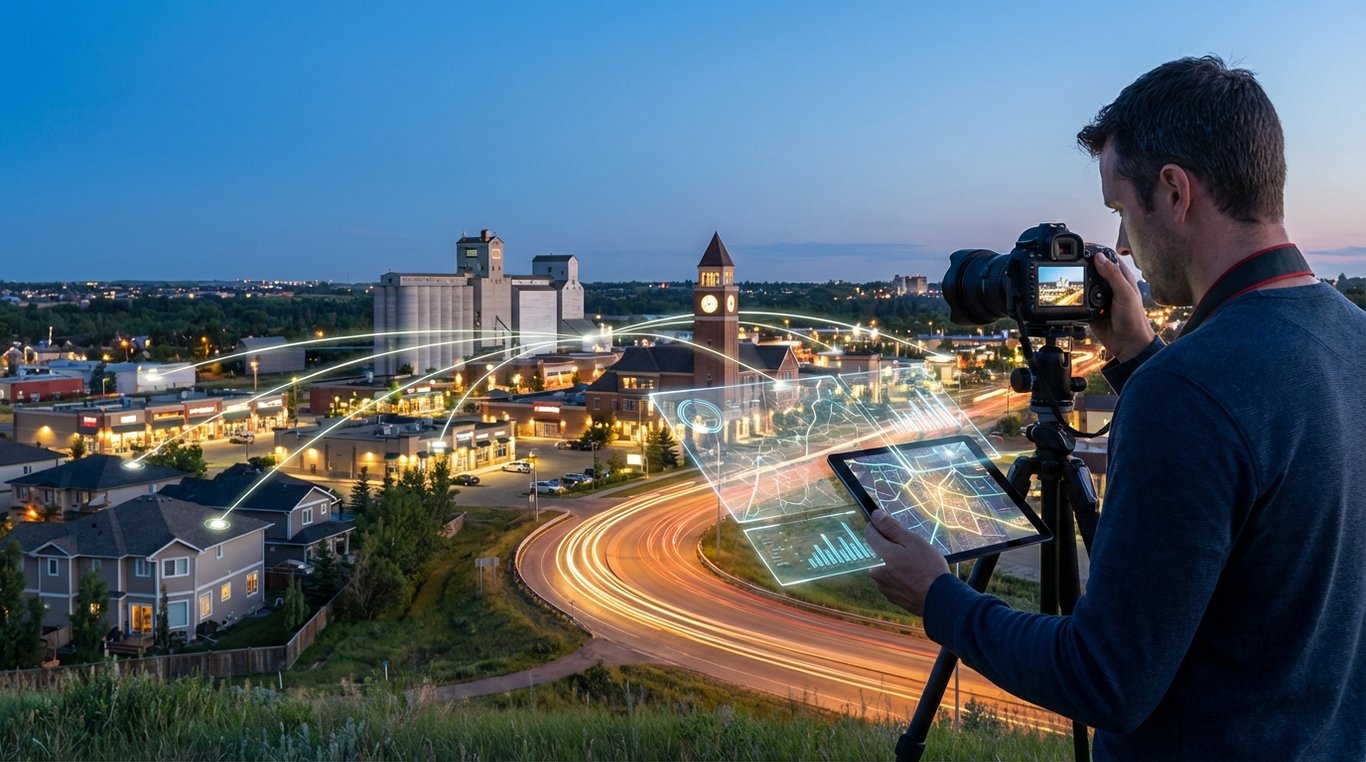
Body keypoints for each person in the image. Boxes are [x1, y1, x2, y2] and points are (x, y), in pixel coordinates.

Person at [864, 56, 1366, 759]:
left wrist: (941, 600)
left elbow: (1106, 677)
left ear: (1173, 191)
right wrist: (1138, 353)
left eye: (1121, 210)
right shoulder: (1350, 337)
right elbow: (1252, 460)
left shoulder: (1188, 392)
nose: (1123, 245)